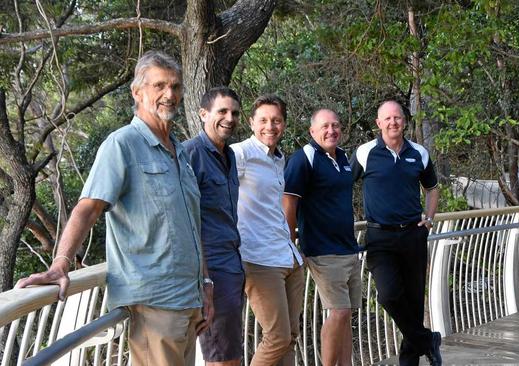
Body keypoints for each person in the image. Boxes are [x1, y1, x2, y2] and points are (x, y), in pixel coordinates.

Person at [16, 51, 213, 366]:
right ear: (137, 92)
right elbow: (87, 208)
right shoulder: (122, 145)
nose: (170, 95)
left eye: (175, 87)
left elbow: (191, 225)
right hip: (154, 303)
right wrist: (60, 264)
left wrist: (205, 285)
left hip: (188, 301)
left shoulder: (180, 151)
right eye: (159, 86)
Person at [350, 100, 442, 366]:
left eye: (397, 118)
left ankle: (409, 361)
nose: (393, 123)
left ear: (404, 121)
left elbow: (432, 188)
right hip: (380, 237)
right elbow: (342, 185)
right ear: (378, 124)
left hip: (413, 235)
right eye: (387, 119)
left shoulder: (419, 153)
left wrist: (429, 218)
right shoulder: (366, 153)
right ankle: (427, 340)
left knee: (413, 301)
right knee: (389, 295)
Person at [230, 94, 305, 366]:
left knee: (290, 336)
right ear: (251, 122)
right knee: (276, 337)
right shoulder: (240, 153)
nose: (269, 126)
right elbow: (214, 192)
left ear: (283, 124)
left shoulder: (278, 159)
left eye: (276, 120)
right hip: (258, 258)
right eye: (263, 120)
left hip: (287, 256)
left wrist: (292, 243)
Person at [283, 109, 360, 366]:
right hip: (322, 249)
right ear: (312, 131)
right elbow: (289, 203)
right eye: (325, 126)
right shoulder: (304, 158)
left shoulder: (343, 157)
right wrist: (291, 244)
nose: (331, 130)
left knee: (346, 314)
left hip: (348, 247)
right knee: (338, 311)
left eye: (335, 125)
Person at [183, 87, 244, 366]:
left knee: (229, 350)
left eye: (234, 112)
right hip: (212, 269)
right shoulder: (190, 155)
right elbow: (185, 220)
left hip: (232, 263)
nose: (229, 118)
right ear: (203, 113)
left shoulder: (229, 155)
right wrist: (205, 278)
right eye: (222, 111)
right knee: (221, 355)